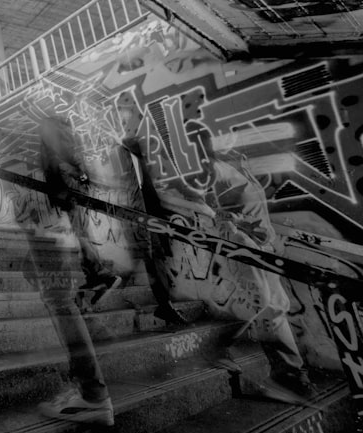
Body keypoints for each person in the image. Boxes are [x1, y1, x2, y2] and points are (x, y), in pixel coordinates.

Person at [202, 138, 315, 403]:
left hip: (264, 246)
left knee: (276, 304)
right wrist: (234, 224)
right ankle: (220, 347)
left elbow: (257, 210)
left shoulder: (241, 163)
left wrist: (272, 239)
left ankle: (291, 376)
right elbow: (207, 207)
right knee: (263, 303)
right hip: (240, 242)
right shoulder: (213, 168)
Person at [27, 114, 116, 425]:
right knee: (61, 303)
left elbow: (60, 194)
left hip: (51, 233)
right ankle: (89, 390)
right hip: (59, 232)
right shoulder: (68, 155)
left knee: (61, 303)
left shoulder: (50, 143)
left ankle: (93, 395)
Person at [37, 114, 122, 305]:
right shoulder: (61, 129)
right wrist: (81, 175)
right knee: (80, 231)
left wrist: (70, 180)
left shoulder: (51, 127)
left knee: (80, 232)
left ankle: (102, 274)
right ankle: (94, 277)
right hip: (67, 183)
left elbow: (60, 159)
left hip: (64, 184)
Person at [120, 136, 190, 325]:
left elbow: (147, 194)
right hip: (138, 222)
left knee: (155, 262)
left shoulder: (138, 164)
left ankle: (165, 306)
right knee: (152, 263)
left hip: (148, 220)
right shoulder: (122, 164)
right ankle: (164, 306)